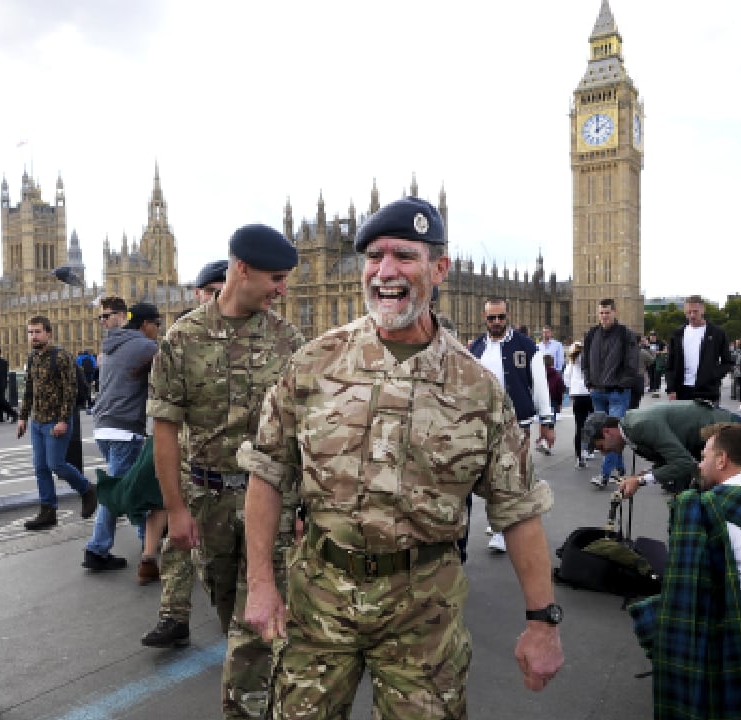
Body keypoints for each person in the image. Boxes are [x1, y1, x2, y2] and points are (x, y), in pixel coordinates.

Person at [240, 196, 563, 720]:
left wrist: (543, 622)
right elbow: (267, 474)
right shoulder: (313, 363)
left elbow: (518, 509)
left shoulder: (477, 388)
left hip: (425, 616)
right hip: (319, 602)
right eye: (374, 256)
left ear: (439, 269)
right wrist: (260, 584)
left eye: (404, 256)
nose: (385, 271)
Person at [147, 224, 304, 719]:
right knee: (227, 612)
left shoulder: (289, 339)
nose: (282, 289)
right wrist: (175, 508)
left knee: (256, 624)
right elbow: (166, 429)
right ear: (242, 269)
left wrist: (305, 506)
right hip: (208, 500)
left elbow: (306, 433)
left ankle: (253, 706)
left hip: (273, 503)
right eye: (276, 278)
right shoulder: (183, 338)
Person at [629, 422, 741, 717]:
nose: (700, 464)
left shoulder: (699, 507)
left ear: (722, 460)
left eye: (705, 456)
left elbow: (686, 597)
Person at [143, 258, 228, 649]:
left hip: (232, 466)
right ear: (199, 293)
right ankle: (173, 616)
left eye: (222, 290)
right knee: (177, 541)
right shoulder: (182, 337)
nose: (218, 298)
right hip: (187, 459)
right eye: (211, 291)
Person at [468, 297, 555, 554]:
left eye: (500, 317)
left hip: (518, 422)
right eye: (491, 318)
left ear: (509, 316)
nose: (496, 322)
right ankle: (500, 523)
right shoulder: (477, 348)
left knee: (511, 477)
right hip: (484, 422)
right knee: (487, 477)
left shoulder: (526, 346)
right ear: (484, 319)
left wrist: (547, 422)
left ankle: (501, 531)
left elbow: (540, 386)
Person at [83, 297, 159, 574]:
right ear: (146, 325)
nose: (159, 331)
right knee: (119, 491)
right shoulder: (146, 346)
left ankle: (146, 542)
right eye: (157, 325)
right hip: (125, 428)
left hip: (103, 426)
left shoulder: (111, 346)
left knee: (131, 485)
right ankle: (97, 549)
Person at [16, 315, 98, 531]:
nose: (33, 336)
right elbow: (29, 390)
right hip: (37, 421)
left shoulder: (61, 356)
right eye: (30, 332)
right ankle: (48, 511)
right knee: (40, 468)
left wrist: (63, 420)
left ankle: (87, 489)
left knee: (56, 465)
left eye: (37, 332)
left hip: (55, 421)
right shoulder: (33, 358)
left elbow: (70, 391)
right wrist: (23, 417)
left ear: (48, 333)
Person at [582, 400, 741, 495]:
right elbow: (671, 457)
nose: (604, 453)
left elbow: (683, 463)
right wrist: (642, 476)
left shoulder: (639, 426)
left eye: (601, 447)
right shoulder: (630, 427)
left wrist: (640, 481)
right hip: (715, 441)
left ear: (607, 431)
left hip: (734, 434)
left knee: (738, 505)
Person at [581, 298, 640, 487]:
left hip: (617, 392)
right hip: (597, 391)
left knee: (612, 436)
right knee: (605, 435)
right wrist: (588, 381)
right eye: (601, 313)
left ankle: (604, 476)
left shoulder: (625, 334)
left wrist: (623, 384)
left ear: (614, 312)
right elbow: (585, 360)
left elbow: (633, 362)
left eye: (607, 312)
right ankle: (620, 468)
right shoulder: (591, 334)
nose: (604, 316)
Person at [665, 295, 731, 404]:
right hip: (682, 390)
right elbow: (670, 363)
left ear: (703, 310)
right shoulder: (677, 334)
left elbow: (727, 362)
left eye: (695, 311)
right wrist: (671, 388)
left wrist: (712, 375)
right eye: (688, 312)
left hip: (707, 391)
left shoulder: (717, 333)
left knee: (708, 421)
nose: (692, 315)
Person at [563, 341, 594, 468]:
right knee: (591, 423)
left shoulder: (572, 361)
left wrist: (572, 388)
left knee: (579, 426)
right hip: (589, 393)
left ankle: (579, 456)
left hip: (577, 395)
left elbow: (566, 377)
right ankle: (588, 450)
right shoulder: (590, 359)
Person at [646, 331, 665, 395]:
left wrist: (659, 352)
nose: (652, 337)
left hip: (658, 360)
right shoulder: (647, 342)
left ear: (656, 336)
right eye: (651, 336)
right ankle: (651, 387)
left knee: (657, 374)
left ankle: (656, 387)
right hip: (650, 360)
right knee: (650, 374)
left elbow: (665, 350)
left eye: (653, 336)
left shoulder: (660, 342)